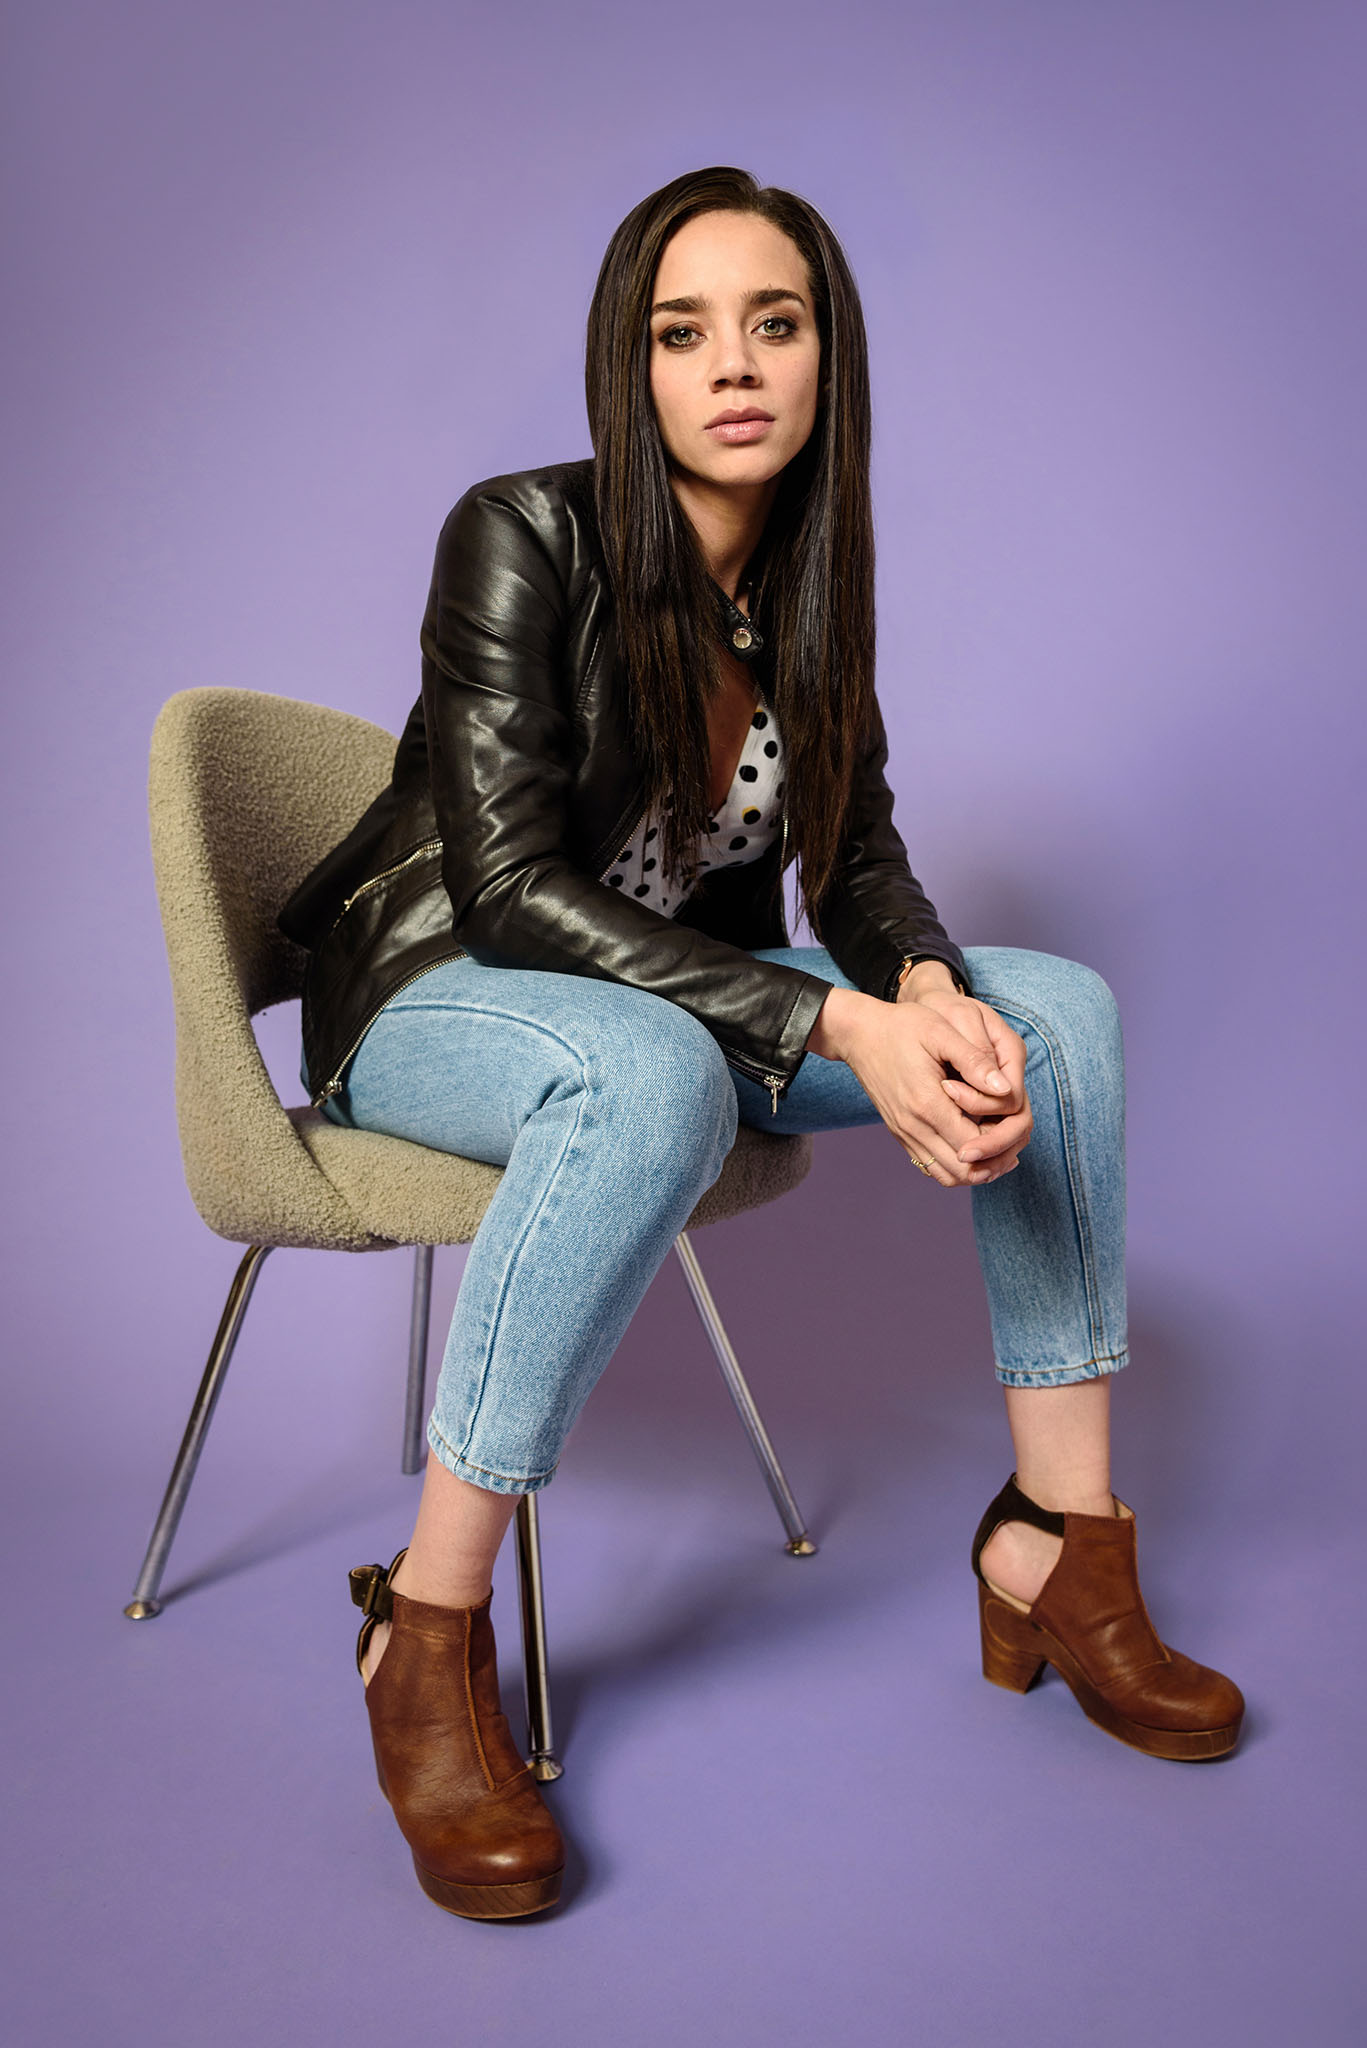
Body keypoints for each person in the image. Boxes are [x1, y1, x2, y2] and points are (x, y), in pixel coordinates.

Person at [280, 166, 1243, 1921]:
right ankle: (422, 1629)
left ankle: (1061, 1552)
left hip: (675, 1007)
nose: (732, 363)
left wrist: (926, 985)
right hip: (438, 995)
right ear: (630, 365)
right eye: (683, 330)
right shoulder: (521, 534)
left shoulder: (808, 583)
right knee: (646, 1070)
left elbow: (854, 863)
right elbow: (507, 888)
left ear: (824, 359)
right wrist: (832, 1019)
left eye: (774, 323)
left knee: (1056, 1016)